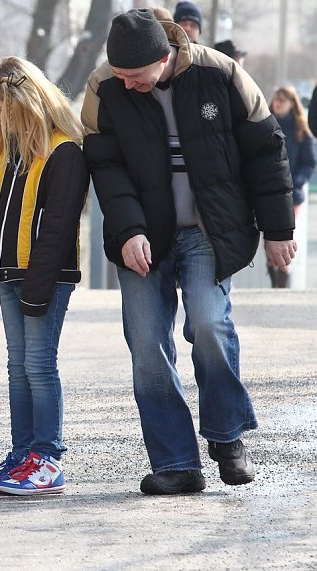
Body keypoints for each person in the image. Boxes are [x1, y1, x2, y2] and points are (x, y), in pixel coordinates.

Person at [81, 9, 297, 495]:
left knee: (208, 321)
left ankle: (226, 436)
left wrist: (278, 228)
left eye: (135, 76)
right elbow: (106, 168)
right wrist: (130, 229)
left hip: (209, 228)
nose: (128, 84)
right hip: (141, 235)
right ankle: (176, 462)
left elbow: (267, 151)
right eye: (120, 76)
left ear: (164, 57)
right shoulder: (103, 89)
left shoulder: (220, 72)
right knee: (147, 345)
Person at [0, 56, 89, 496]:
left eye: (0, 109)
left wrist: (37, 289)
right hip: (9, 275)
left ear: (23, 103)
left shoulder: (64, 151)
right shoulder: (9, 154)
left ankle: (47, 459)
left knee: (38, 365)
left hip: (45, 280)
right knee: (18, 367)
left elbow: (57, 229)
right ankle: (23, 455)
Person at [268, 86, 315, 287]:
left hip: (292, 195)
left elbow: (309, 162)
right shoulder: (264, 124)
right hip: (267, 192)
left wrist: (297, 183)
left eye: (283, 100)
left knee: (285, 237)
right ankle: (274, 279)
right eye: (276, 100)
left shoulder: (300, 129)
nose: (278, 104)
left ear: (291, 103)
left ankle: (282, 282)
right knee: (268, 237)